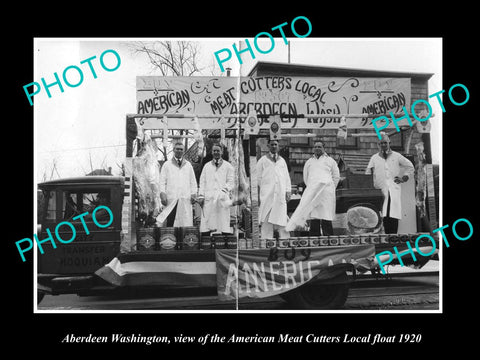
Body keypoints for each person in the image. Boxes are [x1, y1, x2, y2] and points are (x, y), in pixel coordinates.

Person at [365, 132, 415, 234]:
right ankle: (385, 237)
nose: (383, 145)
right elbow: (368, 173)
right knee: (382, 215)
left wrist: (404, 178)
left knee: (393, 214)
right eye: (381, 143)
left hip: (393, 188)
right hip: (379, 190)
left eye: (385, 143)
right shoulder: (374, 158)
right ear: (378, 145)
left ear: (389, 143)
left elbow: (410, 166)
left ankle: (393, 237)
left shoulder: (397, 156)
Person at [302, 140, 340, 236]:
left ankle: (328, 238)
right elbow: (305, 177)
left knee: (326, 215)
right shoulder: (309, 162)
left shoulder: (330, 161)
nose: (317, 148)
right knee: (314, 216)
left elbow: (336, 176)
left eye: (319, 147)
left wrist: (330, 188)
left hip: (326, 193)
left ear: (324, 148)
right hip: (313, 193)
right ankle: (315, 238)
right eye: (315, 147)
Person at [256, 139, 291, 239]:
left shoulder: (282, 161)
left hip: (280, 195)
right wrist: (265, 188)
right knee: (266, 220)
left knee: (282, 220)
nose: (274, 146)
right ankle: (266, 241)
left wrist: (288, 190)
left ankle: (285, 241)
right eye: (272, 145)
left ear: (278, 146)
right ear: (268, 146)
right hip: (267, 194)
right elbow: (258, 177)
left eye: (276, 145)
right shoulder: (263, 160)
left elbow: (286, 177)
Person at [197, 144, 235, 235]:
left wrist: (224, 191)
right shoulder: (207, 166)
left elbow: (231, 181)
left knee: (222, 222)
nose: (216, 152)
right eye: (214, 151)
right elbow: (202, 182)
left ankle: (222, 240)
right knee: (207, 222)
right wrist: (201, 195)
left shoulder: (228, 166)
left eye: (218, 150)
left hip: (222, 198)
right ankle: (207, 241)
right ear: (212, 152)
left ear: (221, 152)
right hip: (209, 198)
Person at [158, 142, 197, 227]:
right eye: (177, 149)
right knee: (171, 223)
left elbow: (193, 181)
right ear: (173, 150)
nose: (179, 151)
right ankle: (170, 239)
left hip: (184, 199)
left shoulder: (188, 165)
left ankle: (183, 240)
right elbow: (162, 182)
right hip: (171, 199)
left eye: (181, 149)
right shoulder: (166, 165)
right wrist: (162, 194)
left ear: (183, 151)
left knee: (184, 225)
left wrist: (194, 194)